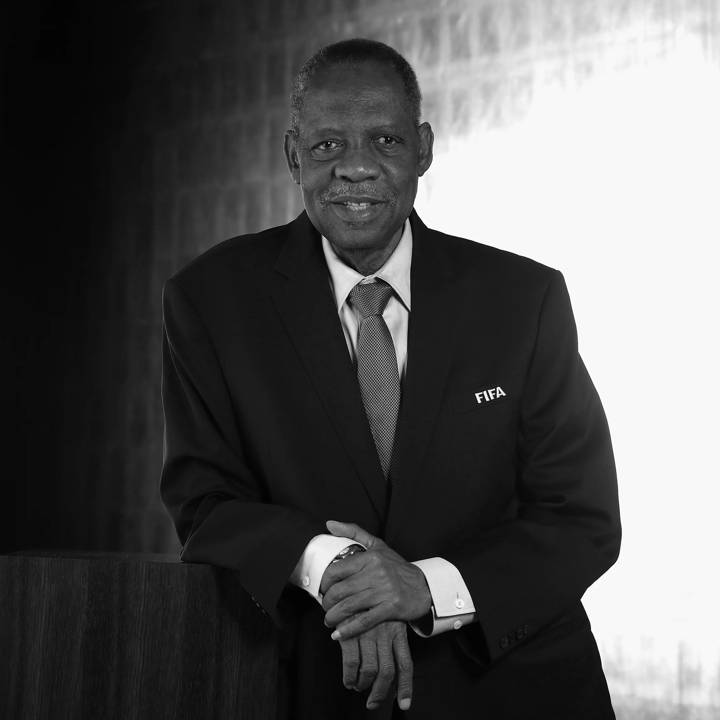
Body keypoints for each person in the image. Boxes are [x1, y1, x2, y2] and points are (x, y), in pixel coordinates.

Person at [160, 38, 621, 719]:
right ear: (292, 154)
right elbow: (204, 504)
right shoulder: (210, 300)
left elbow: (582, 518)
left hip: (518, 691)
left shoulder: (523, 299)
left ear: (424, 148)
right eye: (326, 147)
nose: (355, 168)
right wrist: (340, 571)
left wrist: (423, 587)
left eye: (384, 139)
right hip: (319, 689)